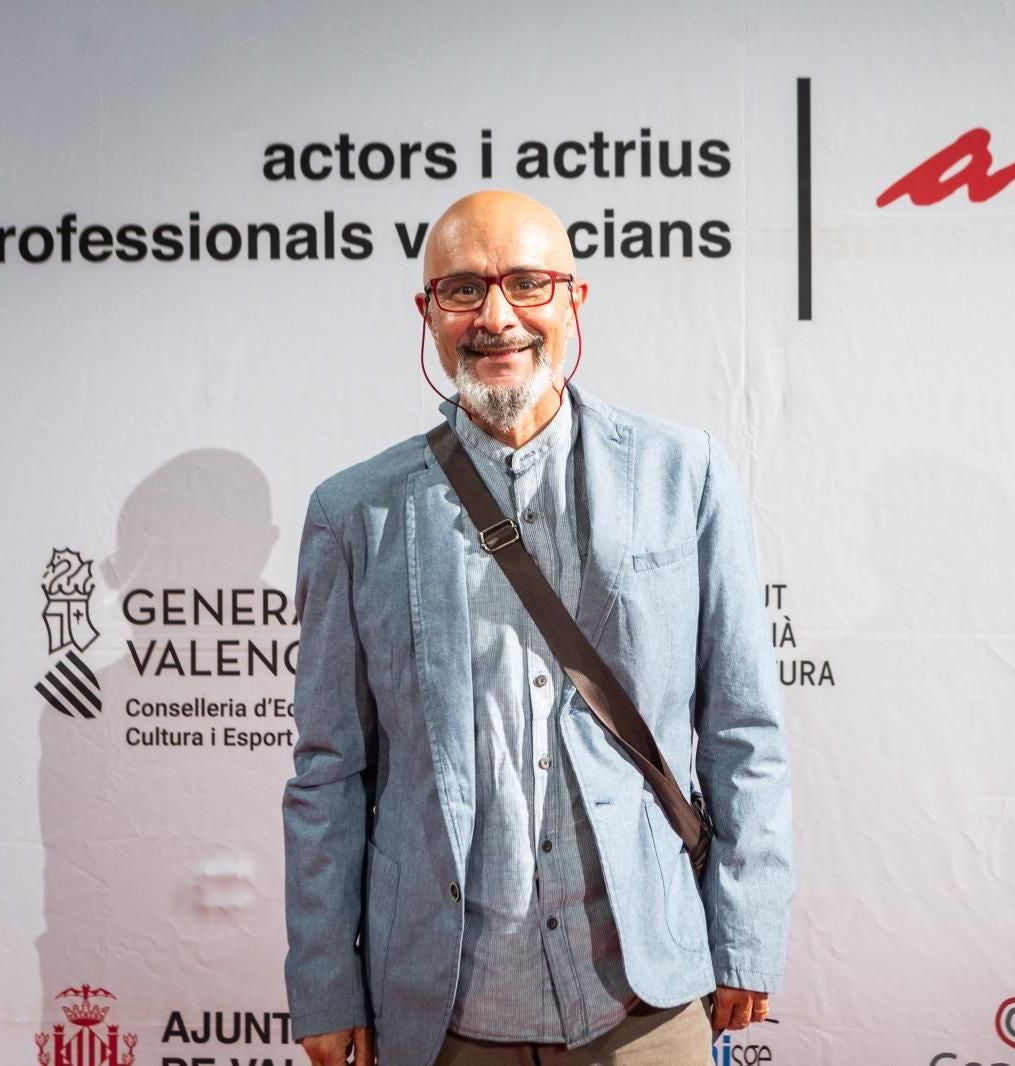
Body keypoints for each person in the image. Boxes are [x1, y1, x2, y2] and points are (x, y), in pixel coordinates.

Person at [282, 189, 793, 1066]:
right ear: (428, 312)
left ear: (573, 299)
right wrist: (325, 982)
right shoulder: (354, 511)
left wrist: (745, 933)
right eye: (463, 291)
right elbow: (329, 770)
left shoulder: (685, 473)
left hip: (646, 995)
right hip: (445, 1010)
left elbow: (742, 729)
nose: (496, 317)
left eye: (526, 284)